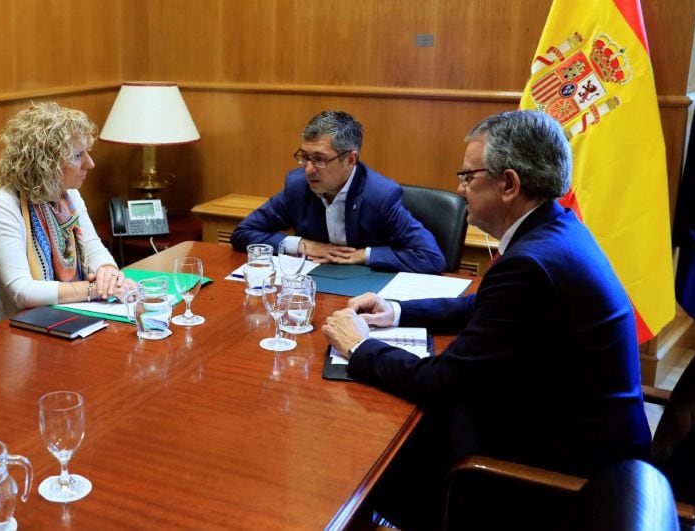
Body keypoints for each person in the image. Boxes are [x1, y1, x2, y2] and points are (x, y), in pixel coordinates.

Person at [322, 110, 650, 530]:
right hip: (578, 435)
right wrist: (398, 311)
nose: (459, 190)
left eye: (467, 177)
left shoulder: (532, 264)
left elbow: (441, 380)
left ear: (509, 184)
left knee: (368, 456)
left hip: (561, 480)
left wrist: (360, 346)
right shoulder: (556, 230)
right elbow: (481, 308)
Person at [0, 102, 131, 336]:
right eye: (78, 155)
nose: (90, 163)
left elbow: (94, 249)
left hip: (46, 322)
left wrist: (108, 272)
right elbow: (22, 291)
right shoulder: (3, 204)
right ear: (47, 164)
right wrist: (93, 289)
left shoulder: (69, 195)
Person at [230, 110, 445, 273]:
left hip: (368, 296)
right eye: (305, 156)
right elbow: (243, 234)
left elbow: (431, 257)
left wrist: (365, 255)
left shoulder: (380, 196)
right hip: (314, 288)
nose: (308, 169)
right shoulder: (298, 187)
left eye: (320, 159)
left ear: (350, 160)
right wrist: (302, 245)